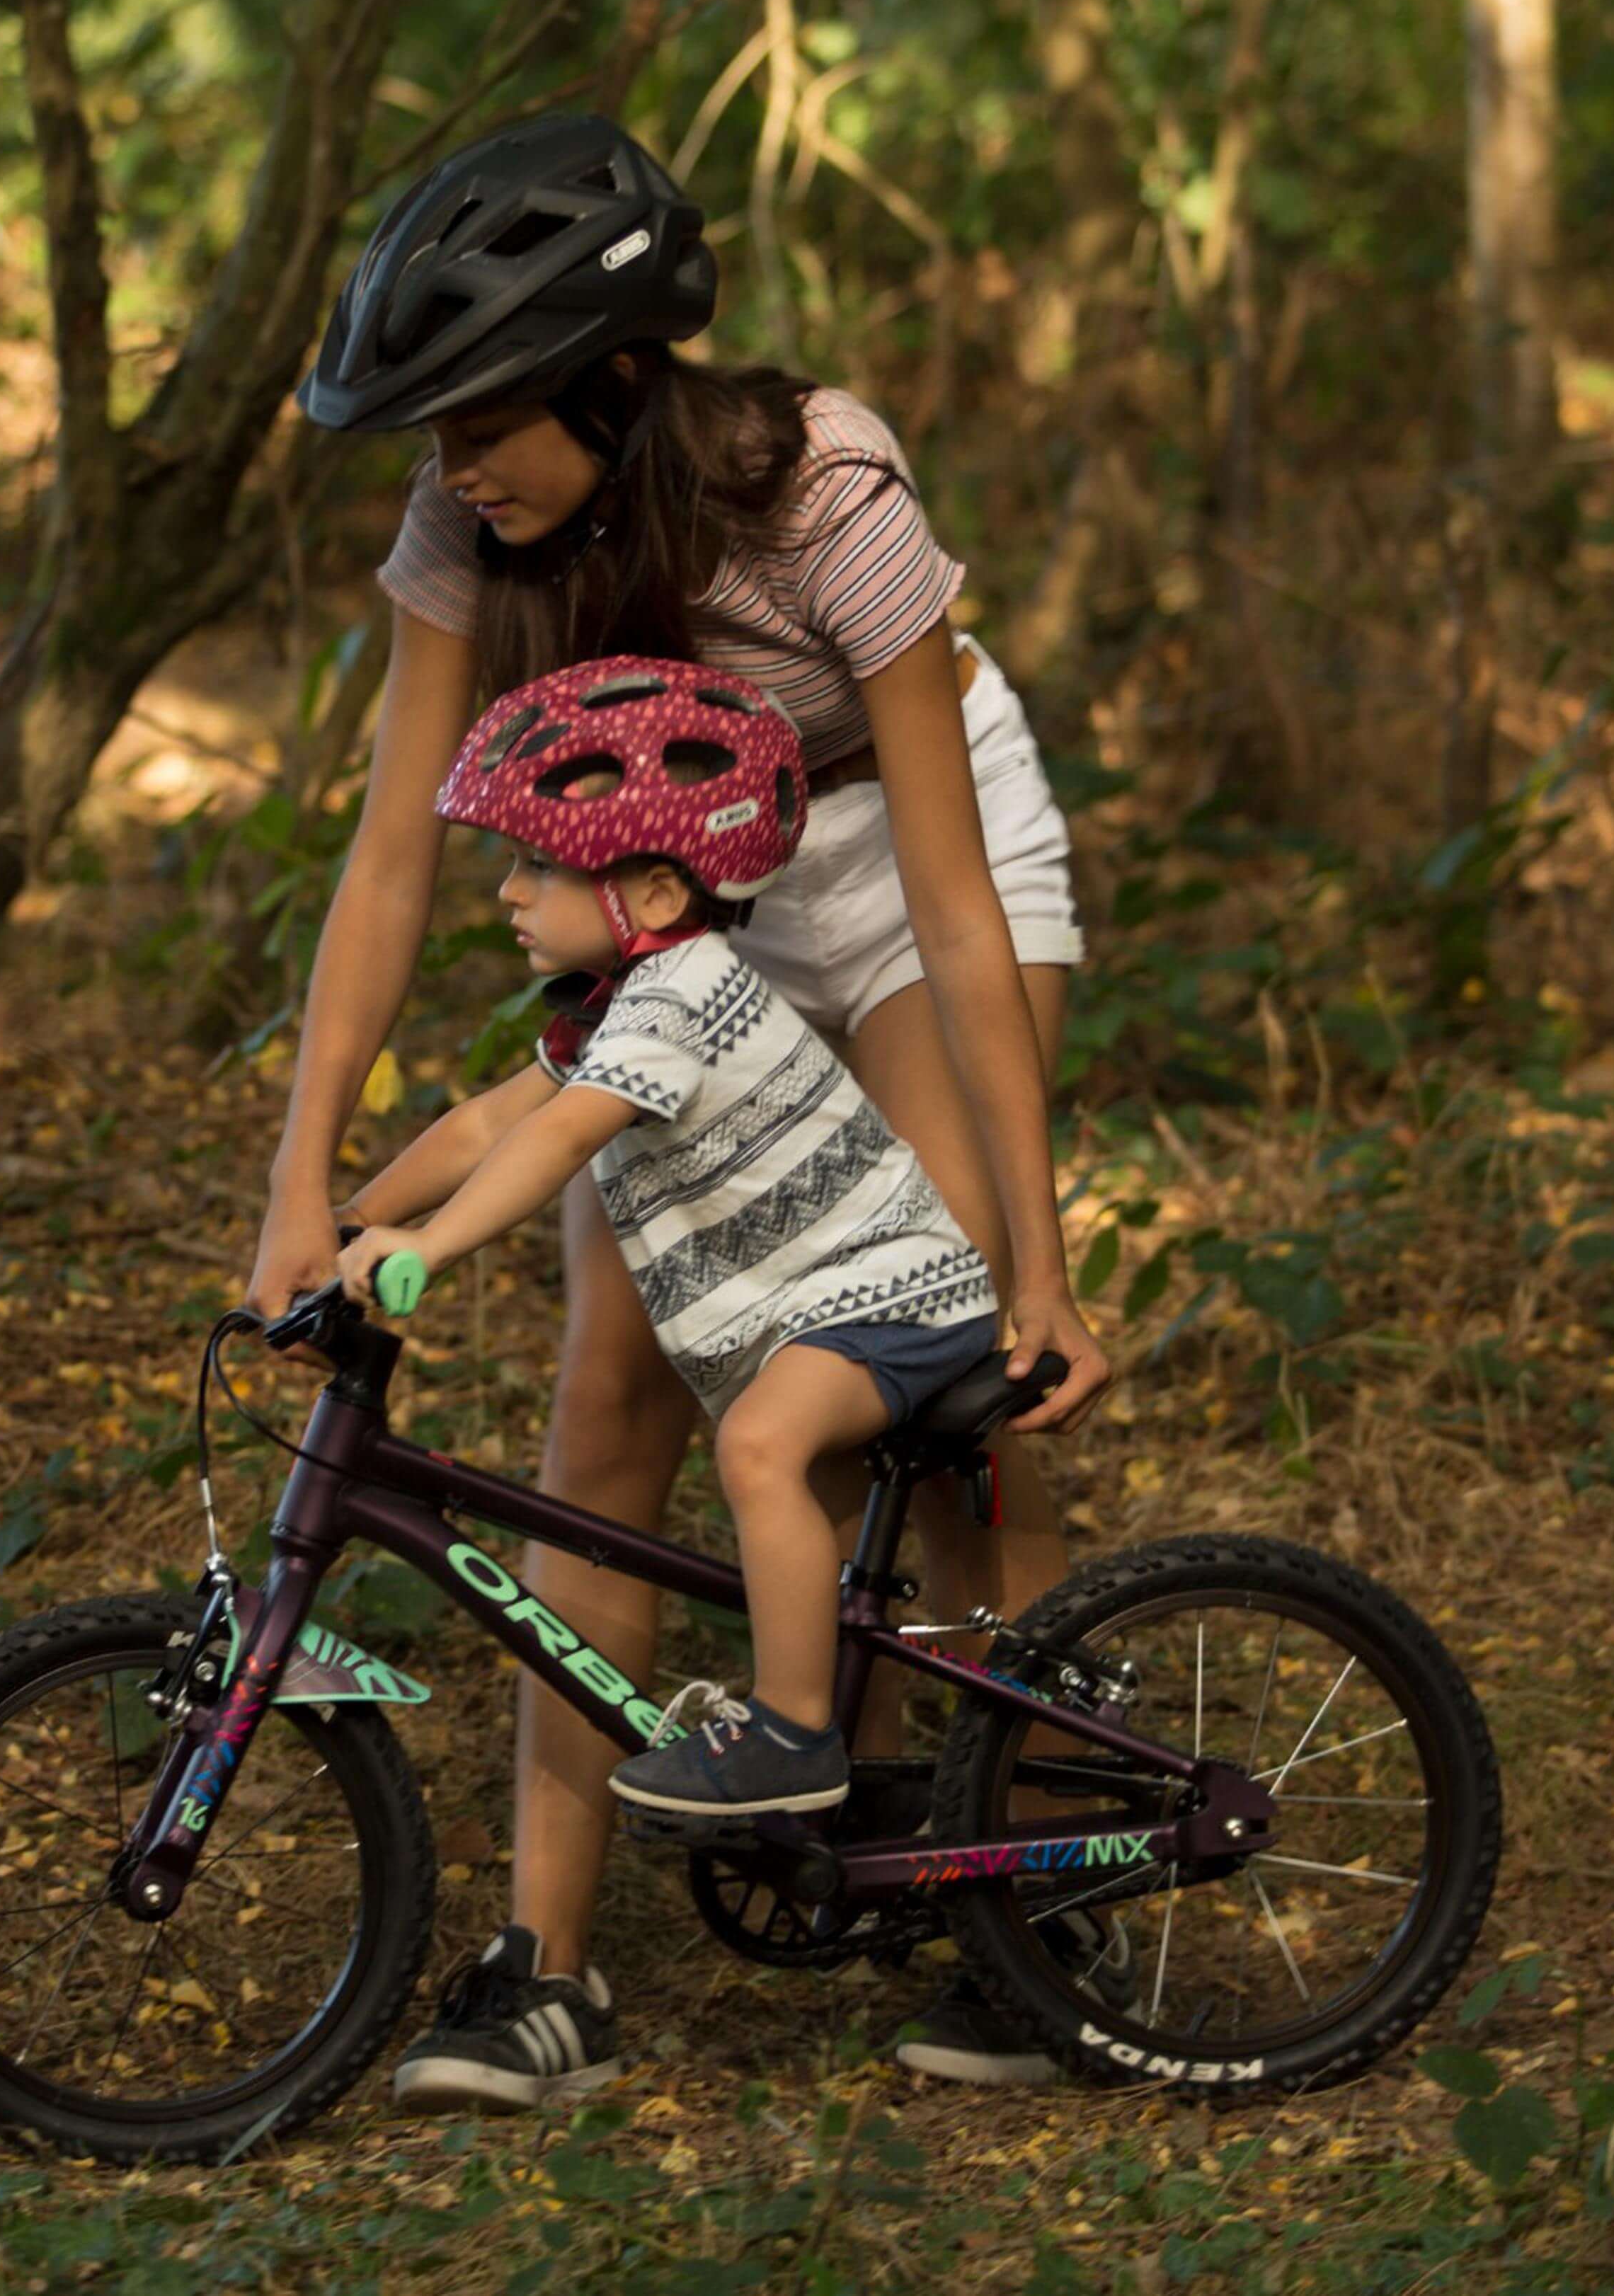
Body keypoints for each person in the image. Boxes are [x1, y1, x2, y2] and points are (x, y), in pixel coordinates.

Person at [252, 110, 1110, 2109]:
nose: (450, 471)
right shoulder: (471, 525)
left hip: (894, 856)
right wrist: (301, 1181)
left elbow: (953, 891)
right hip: (661, 888)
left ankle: (1038, 1883)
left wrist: (1040, 1256)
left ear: (615, 379)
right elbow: (389, 861)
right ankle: (543, 1967)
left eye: (480, 422)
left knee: (945, 1346)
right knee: (610, 1396)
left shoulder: (820, 482)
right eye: (433, 435)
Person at [332, 658, 1005, 1846]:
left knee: (757, 1446)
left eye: (540, 865)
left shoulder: (677, 1001)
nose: (508, 892)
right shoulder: (615, 1004)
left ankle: (790, 1736)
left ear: (648, 894)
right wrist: (348, 1223)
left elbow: (552, 1144)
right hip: (832, 1303)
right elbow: (488, 1120)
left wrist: (427, 1251)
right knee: (771, 1456)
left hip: (894, 1296)